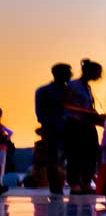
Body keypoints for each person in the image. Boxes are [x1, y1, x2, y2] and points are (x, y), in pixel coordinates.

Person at [64, 59, 105, 193]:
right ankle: (75, 184)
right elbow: (67, 104)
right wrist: (89, 112)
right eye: (97, 73)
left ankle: (86, 183)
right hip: (75, 123)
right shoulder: (73, 85)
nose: (99, 76)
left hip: (87, 124)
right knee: (75, 154)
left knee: (91, 154)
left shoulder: (87, 87)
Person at [34, 64, 76, 194]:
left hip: (68, 128)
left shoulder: (70, 90)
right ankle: (56, 187)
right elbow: (39, 112)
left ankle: (70, 184)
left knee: (70, 158)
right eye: (68, 72)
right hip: (52, 128)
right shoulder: (44, 91)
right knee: (52, 159)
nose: (71, 75)